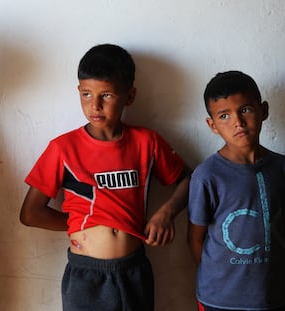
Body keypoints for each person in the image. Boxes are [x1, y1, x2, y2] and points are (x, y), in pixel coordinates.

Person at [20, 43, 191, 311]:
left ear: (129, 96)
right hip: (86, 274)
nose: (95, 105)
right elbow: (30, 214)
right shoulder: (63, 149)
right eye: (86, 94)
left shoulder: (146, 143)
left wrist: (166, 212)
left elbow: (189, 179)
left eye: (107, 95)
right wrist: (81, 223)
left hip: (133, 269)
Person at [188, 71, 285, 311]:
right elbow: (195, 238)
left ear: (263, 110)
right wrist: (222, 278)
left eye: (245, 110)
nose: (238, 122)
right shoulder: (208, 175)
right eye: (224, 116)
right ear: (212, 125)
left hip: (274, 295)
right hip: (220, 299)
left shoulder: (281, 168)